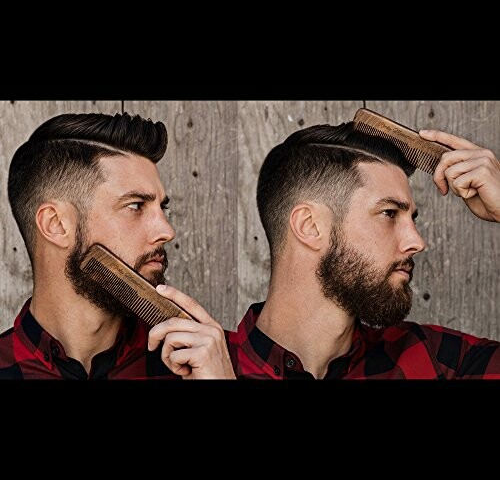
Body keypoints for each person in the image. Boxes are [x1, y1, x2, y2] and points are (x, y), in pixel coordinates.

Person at [220, 121, 500, 379]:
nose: (417, 242)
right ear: (310, 226)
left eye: (412, 219)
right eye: (389, 213)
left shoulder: (433, 361)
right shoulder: (196, 367)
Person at [0, 112, 235, 379]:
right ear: (56, 224)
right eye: (135, 205)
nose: (167, 231)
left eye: (162, 208)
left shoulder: (220, 362)